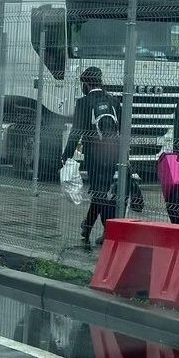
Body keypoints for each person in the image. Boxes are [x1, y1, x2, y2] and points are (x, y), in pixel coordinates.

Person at [61, 67, 122, 244]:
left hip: (94, 154)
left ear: (86, 83)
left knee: (98, 192)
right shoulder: (114, 101)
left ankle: (109, 231)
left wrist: (67, 155)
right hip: (112, 153)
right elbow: (123, 129)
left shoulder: (84, 102)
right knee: (100, 191)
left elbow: (76, 132)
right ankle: (87, 226)